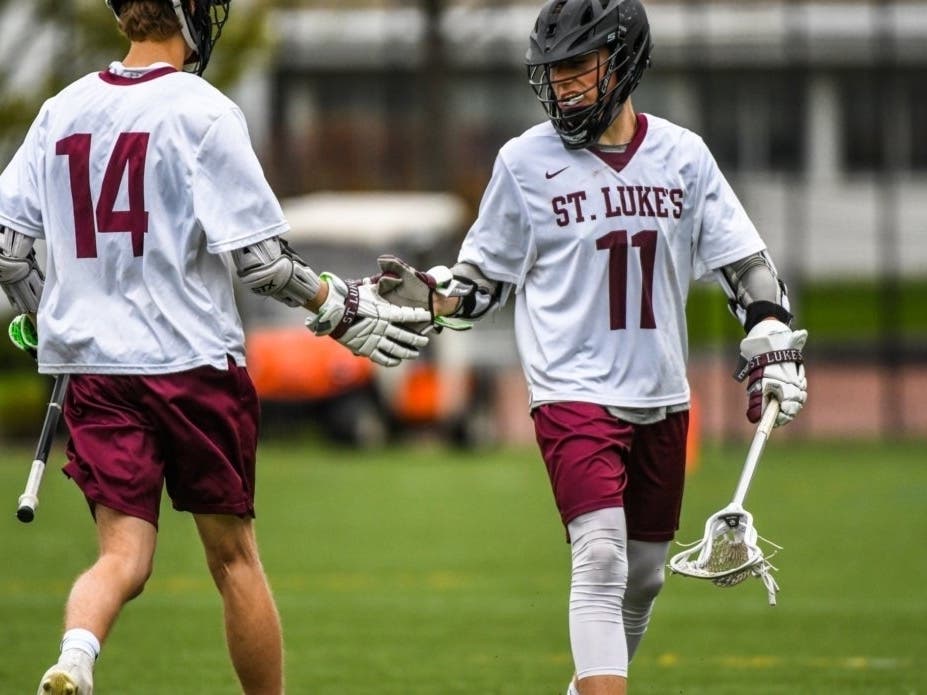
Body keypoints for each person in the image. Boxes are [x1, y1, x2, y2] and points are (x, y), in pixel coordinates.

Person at [373, 1, 808, 694]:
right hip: (571, 390)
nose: (563, 85)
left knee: (643, 574)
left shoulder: (682, 155)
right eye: (554, 71)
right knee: (600, 557)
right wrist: (429, 296)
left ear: (625, 59)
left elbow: (746, 267)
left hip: (659, 391)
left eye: (578, 66)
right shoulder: (523, 162)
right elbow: (482, 280)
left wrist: (769, 333)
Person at [0, 1, 432, 694]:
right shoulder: (201, 109)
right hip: (192, 363)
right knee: (233, 558)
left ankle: (75, 656)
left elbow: (9, 250)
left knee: (122, 556)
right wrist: (339, 309)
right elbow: (260, 262)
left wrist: (44, 316)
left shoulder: (61, 110)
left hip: (97, 372)